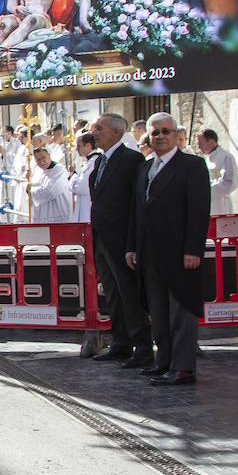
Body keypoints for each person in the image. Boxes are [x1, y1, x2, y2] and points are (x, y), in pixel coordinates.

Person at [125, 111, 210, 386]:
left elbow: (198, 212)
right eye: (155, 132)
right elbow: (137, 212)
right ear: (147, 137)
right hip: (149, 255)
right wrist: (132, 247)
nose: (160, 136)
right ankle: (164, 362)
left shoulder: (192, 166)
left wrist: (193, 250)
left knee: (181, 312)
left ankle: (183, 367)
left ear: (176, 135)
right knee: (158, 312)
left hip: (180, 254)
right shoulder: (143, 169)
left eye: (165, 131)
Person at [89, 113, 155, 368]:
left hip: (120, 240)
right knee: (113, 293)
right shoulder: (100, 161)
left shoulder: (130, 159)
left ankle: (143, 346)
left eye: (100, 128)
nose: (94, 132)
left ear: (116, 132)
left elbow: (134, 204)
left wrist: (131, 243)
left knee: (128, 293)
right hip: (102, 238)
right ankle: (121, 342)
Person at [197, 128, 238, 216]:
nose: (198, 147)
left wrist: (205, 191)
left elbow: (230, 183)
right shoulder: (207, 159)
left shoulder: (226, 157)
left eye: (200, 143)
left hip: (221, 206)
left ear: (211, 142)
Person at [28, 146, 71, 222]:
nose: (42, 162)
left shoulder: (58, 170)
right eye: (38, 160)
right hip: (42, 214)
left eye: (44, 158)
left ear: (49, 156)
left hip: (57, 214)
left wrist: (31, 191)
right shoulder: (38, 171)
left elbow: (50, 192)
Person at [71, 132, 98, 222]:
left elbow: (81, 187)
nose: (76, 149)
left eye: (79, 146)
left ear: (88, 146)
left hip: (88, 206)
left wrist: (73, 175)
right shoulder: (89, 161)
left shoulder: (94, 162)